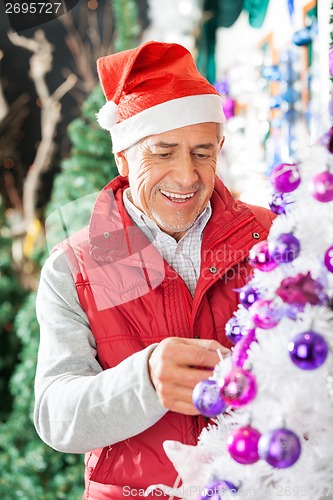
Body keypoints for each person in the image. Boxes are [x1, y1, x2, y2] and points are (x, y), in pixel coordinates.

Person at [34, 41, 275, 499]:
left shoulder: (271, 237)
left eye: (203, 153)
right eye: (163, 153)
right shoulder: (72, 266)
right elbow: (54, 416)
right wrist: (142, 380)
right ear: (123, 159)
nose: (187, 176)